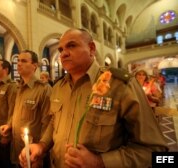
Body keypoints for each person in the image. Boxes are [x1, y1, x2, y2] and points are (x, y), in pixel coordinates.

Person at [19, 28, 168, 168]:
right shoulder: (59, 87)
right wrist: (42, 146)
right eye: (60, 49)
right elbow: (54, 122)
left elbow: (155, 151)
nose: (63, 53)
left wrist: (100, 162)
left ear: (91, 49)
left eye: (71, 46)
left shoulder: (120, 85)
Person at [0, 50, 52, 167]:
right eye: (18, 60)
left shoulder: (43, 89)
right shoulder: (19, 88)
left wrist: (42, 151)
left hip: (33, 152)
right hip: (17, 146)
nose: (18, 64)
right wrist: (10, 125)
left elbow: (48, 123)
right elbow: (16, 112)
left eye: (23, 61)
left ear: (34, 66)